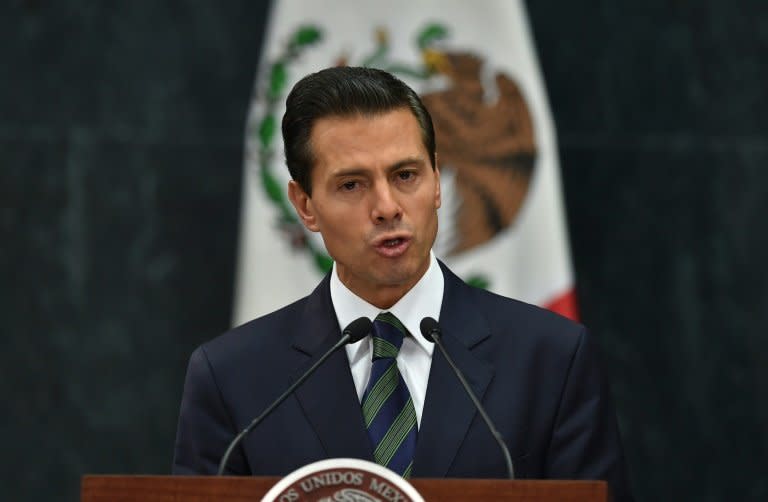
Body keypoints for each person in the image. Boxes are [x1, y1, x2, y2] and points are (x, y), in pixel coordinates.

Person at [172, 66, 632, 500]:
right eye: (352, 185)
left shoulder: (550, 361)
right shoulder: (233, 378)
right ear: (305, 204)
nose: (388, 206)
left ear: (436, 181)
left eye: (406, 175)